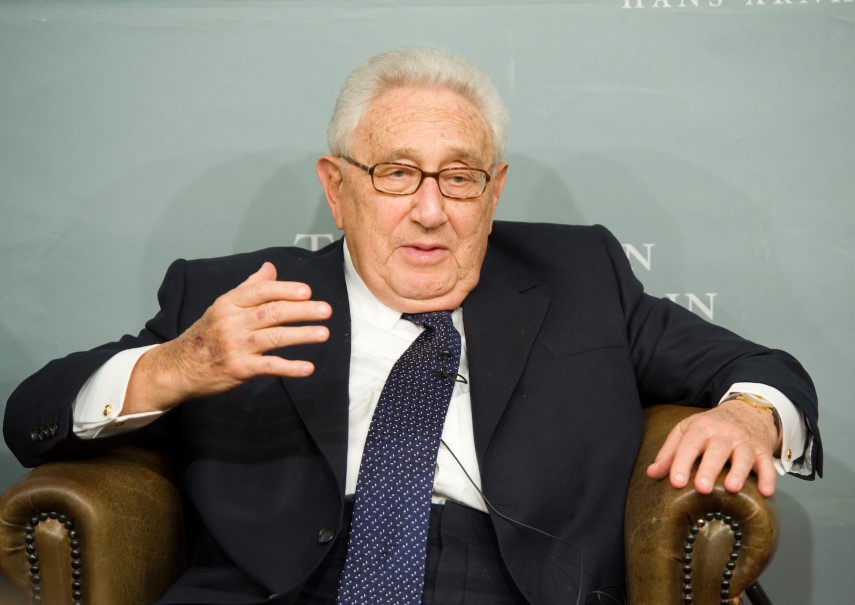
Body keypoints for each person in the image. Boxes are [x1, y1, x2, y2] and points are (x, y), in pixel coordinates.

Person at [4, 48, 821, 605]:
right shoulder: (234, 296)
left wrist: (749, 414)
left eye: (459, 177)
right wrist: (174, 366)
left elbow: (763, 368)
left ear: (493, 191)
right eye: (396, 173)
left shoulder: (579, 278)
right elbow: (30, 416)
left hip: (514, 583)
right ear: (337, 188)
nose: (430, 210)